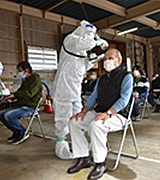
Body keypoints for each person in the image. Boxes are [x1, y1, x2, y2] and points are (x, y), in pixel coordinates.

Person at [67, 48, 133, 180]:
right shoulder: (101, 79)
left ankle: (100, 163)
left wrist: (109, 113)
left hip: (118, 115)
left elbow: (124, 99)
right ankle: (83, 157)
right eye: (105, 58)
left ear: (118, 61)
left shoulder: (127, 77)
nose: (106, 61)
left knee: (96, 125)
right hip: (100, 111)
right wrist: (84, 111)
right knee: (74, 122)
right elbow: (93, 97)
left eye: (110, 58)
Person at [52, 20, 108, 159]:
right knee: (62, 118)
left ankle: (79, 144)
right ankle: (61, 145)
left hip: (75, 90)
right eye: (89, 33)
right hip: (63, 88)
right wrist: (95, 40)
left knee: (79, 117)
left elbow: (84, 65)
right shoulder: (71, 40)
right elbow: (87, 43)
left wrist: (100, 56)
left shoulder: (80, 51)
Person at [0, 61, 42, 144]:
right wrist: (10, 95)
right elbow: (20, 92)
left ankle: (22, 132)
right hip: (21, 105)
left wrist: (15, 95)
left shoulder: (35, 79)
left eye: (20, 70)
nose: (19, 73)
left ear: (27, 70)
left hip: (30, 107)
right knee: (1, 114)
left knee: (9, 115)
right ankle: (16, 131)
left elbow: (30, 94)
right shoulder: (25, 80)